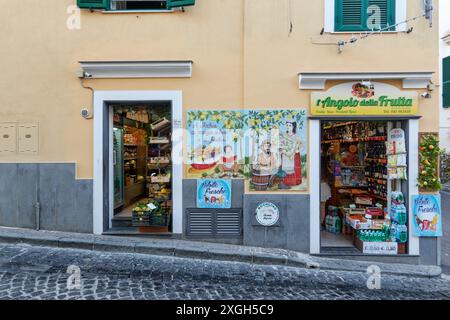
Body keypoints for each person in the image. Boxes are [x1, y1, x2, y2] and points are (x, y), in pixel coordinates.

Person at [280, 121, 303, 187]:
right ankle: (285, 182)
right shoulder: (284, 135)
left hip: (294, 155)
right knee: (285, 168)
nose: (288, 127)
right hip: (285, 154)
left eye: (290, 125)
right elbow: (281, 144)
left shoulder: (297, 136)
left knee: (293, 168)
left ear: (293, 126)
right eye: (287, 125)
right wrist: (282, 148)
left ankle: (294, 181)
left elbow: (301, 145)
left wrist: (298, 150)